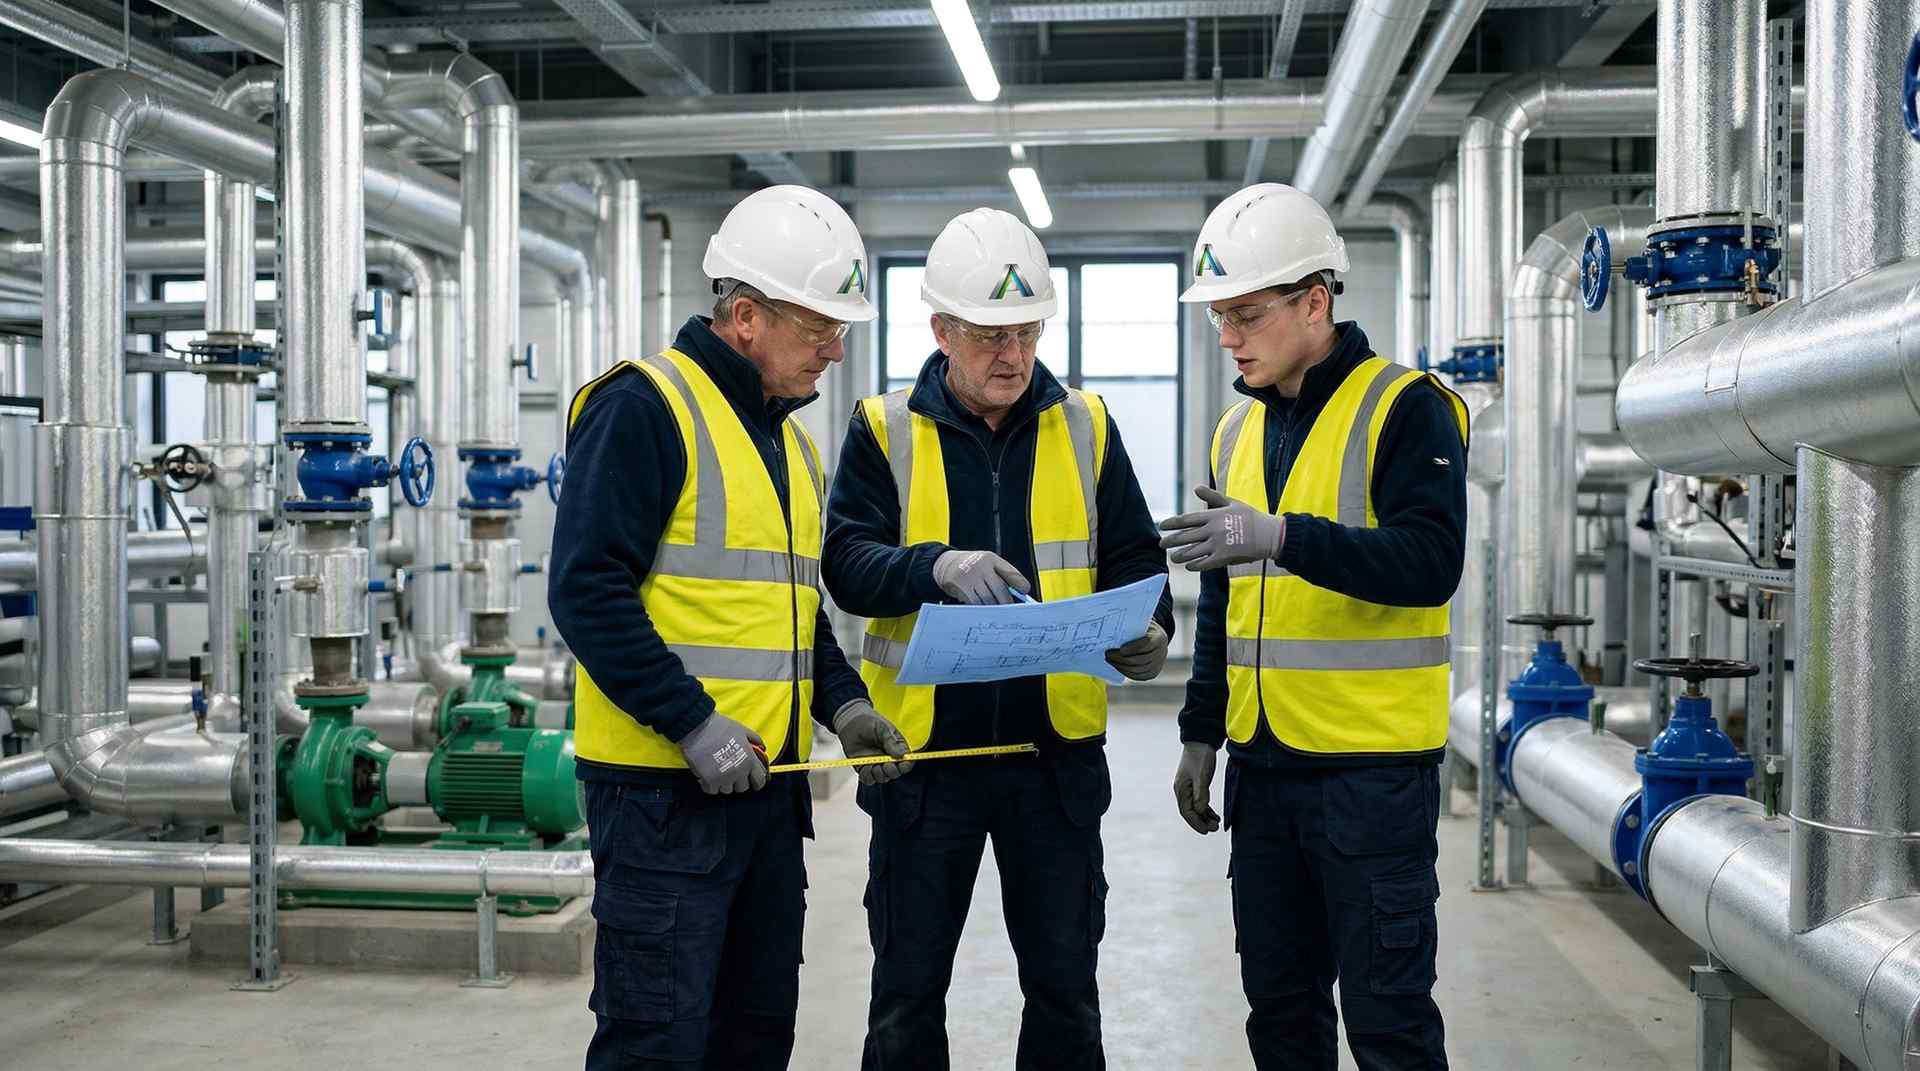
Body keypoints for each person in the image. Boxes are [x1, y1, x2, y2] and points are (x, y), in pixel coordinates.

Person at [549, 184, 913, 1071]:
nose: (835, 349)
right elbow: (585, 589)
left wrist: (847, 707)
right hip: (660, 798)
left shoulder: (792, 444)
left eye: (841, 328)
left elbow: (795, 617)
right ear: (745, 315)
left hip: (768, 792)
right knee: (658, 1042)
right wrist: (690, 720)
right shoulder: (645, 407)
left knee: (754, 1036)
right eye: (819, 326)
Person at [823, 206, 1175, 1071]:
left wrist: (1153, 629)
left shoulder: (1087, 425)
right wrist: (931, 567)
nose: (1011, 354)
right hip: (923, 762)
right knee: (905, 1000)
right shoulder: (884, 428)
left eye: (1025, 331)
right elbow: (846, 562)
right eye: (987, 335)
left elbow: (1135, 554)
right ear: (940, 329)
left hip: (1052, 761)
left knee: (1064, 993)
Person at [1159, 182, 1468, 1071]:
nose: (1228, 338)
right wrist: (1198, 732)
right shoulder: (1234, 431)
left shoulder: (1406, 407)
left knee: (1389, 1023)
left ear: (1316, 301)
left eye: (1246, 315)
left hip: (1370, 780)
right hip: (1264, 774)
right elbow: (1225, 599)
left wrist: (1284, 536)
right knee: (1282, 1017)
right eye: (1221, 317)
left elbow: (1428, 561)